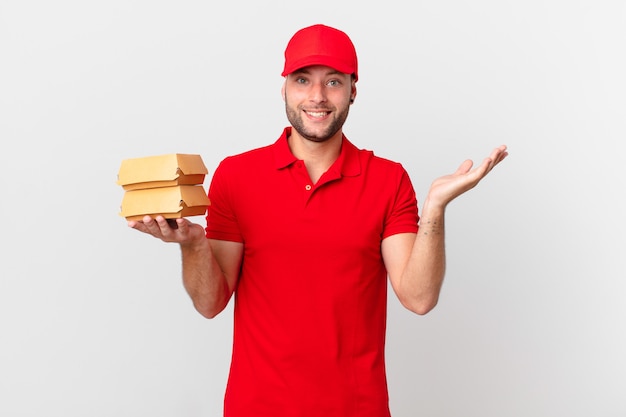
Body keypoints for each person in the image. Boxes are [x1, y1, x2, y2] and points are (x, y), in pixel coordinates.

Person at [129, 23, 508, 417]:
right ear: (284, 89)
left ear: (352, 92)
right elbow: (210, 303)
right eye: (302, 79)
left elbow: (419, 298)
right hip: (257, 407)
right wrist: (193, 245)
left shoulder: (388, 179)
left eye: (333, 82)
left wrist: (435, 208)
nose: (316, 96)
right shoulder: (237, 176)